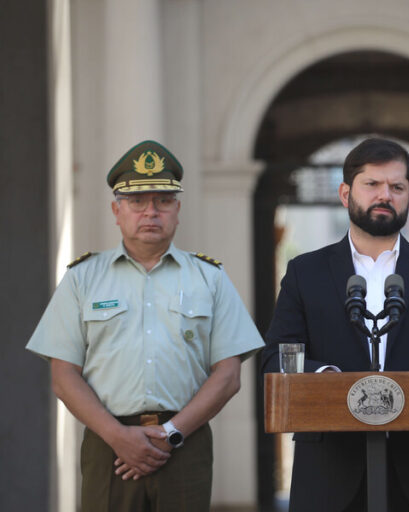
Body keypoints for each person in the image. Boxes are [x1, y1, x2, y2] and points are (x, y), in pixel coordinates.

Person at [26, 140, 264, 512]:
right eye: (138, 201)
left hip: (185, 443)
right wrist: (118, 437)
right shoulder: (82, 279)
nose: (151, 211)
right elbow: (63, 375)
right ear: (116, 210)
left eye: (163, 201)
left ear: (178, 209)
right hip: (108, 447)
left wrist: (171, 434)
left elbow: (229, 375)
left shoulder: (210, 278)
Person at [261, 137, 409, 512]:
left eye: (397, 187)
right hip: (331, 473)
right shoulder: (306, 272)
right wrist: (329, 380)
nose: (385, 195)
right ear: (344, 193)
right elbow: (275, 357)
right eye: (372, 184)